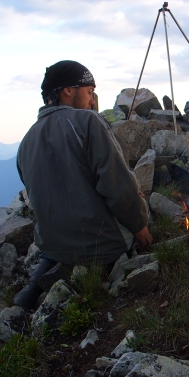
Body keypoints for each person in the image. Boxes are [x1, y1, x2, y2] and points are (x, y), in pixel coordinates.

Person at [14, 60, 153, 309]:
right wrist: (140, 225)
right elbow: (117, 184)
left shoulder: (26, 141)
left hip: (51, 243)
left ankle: (40, 280)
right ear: (68, 90)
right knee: (141, 203)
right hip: (100, 244)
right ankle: (91, 273)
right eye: (89, 92)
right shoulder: (87, 121)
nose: (92, 101)